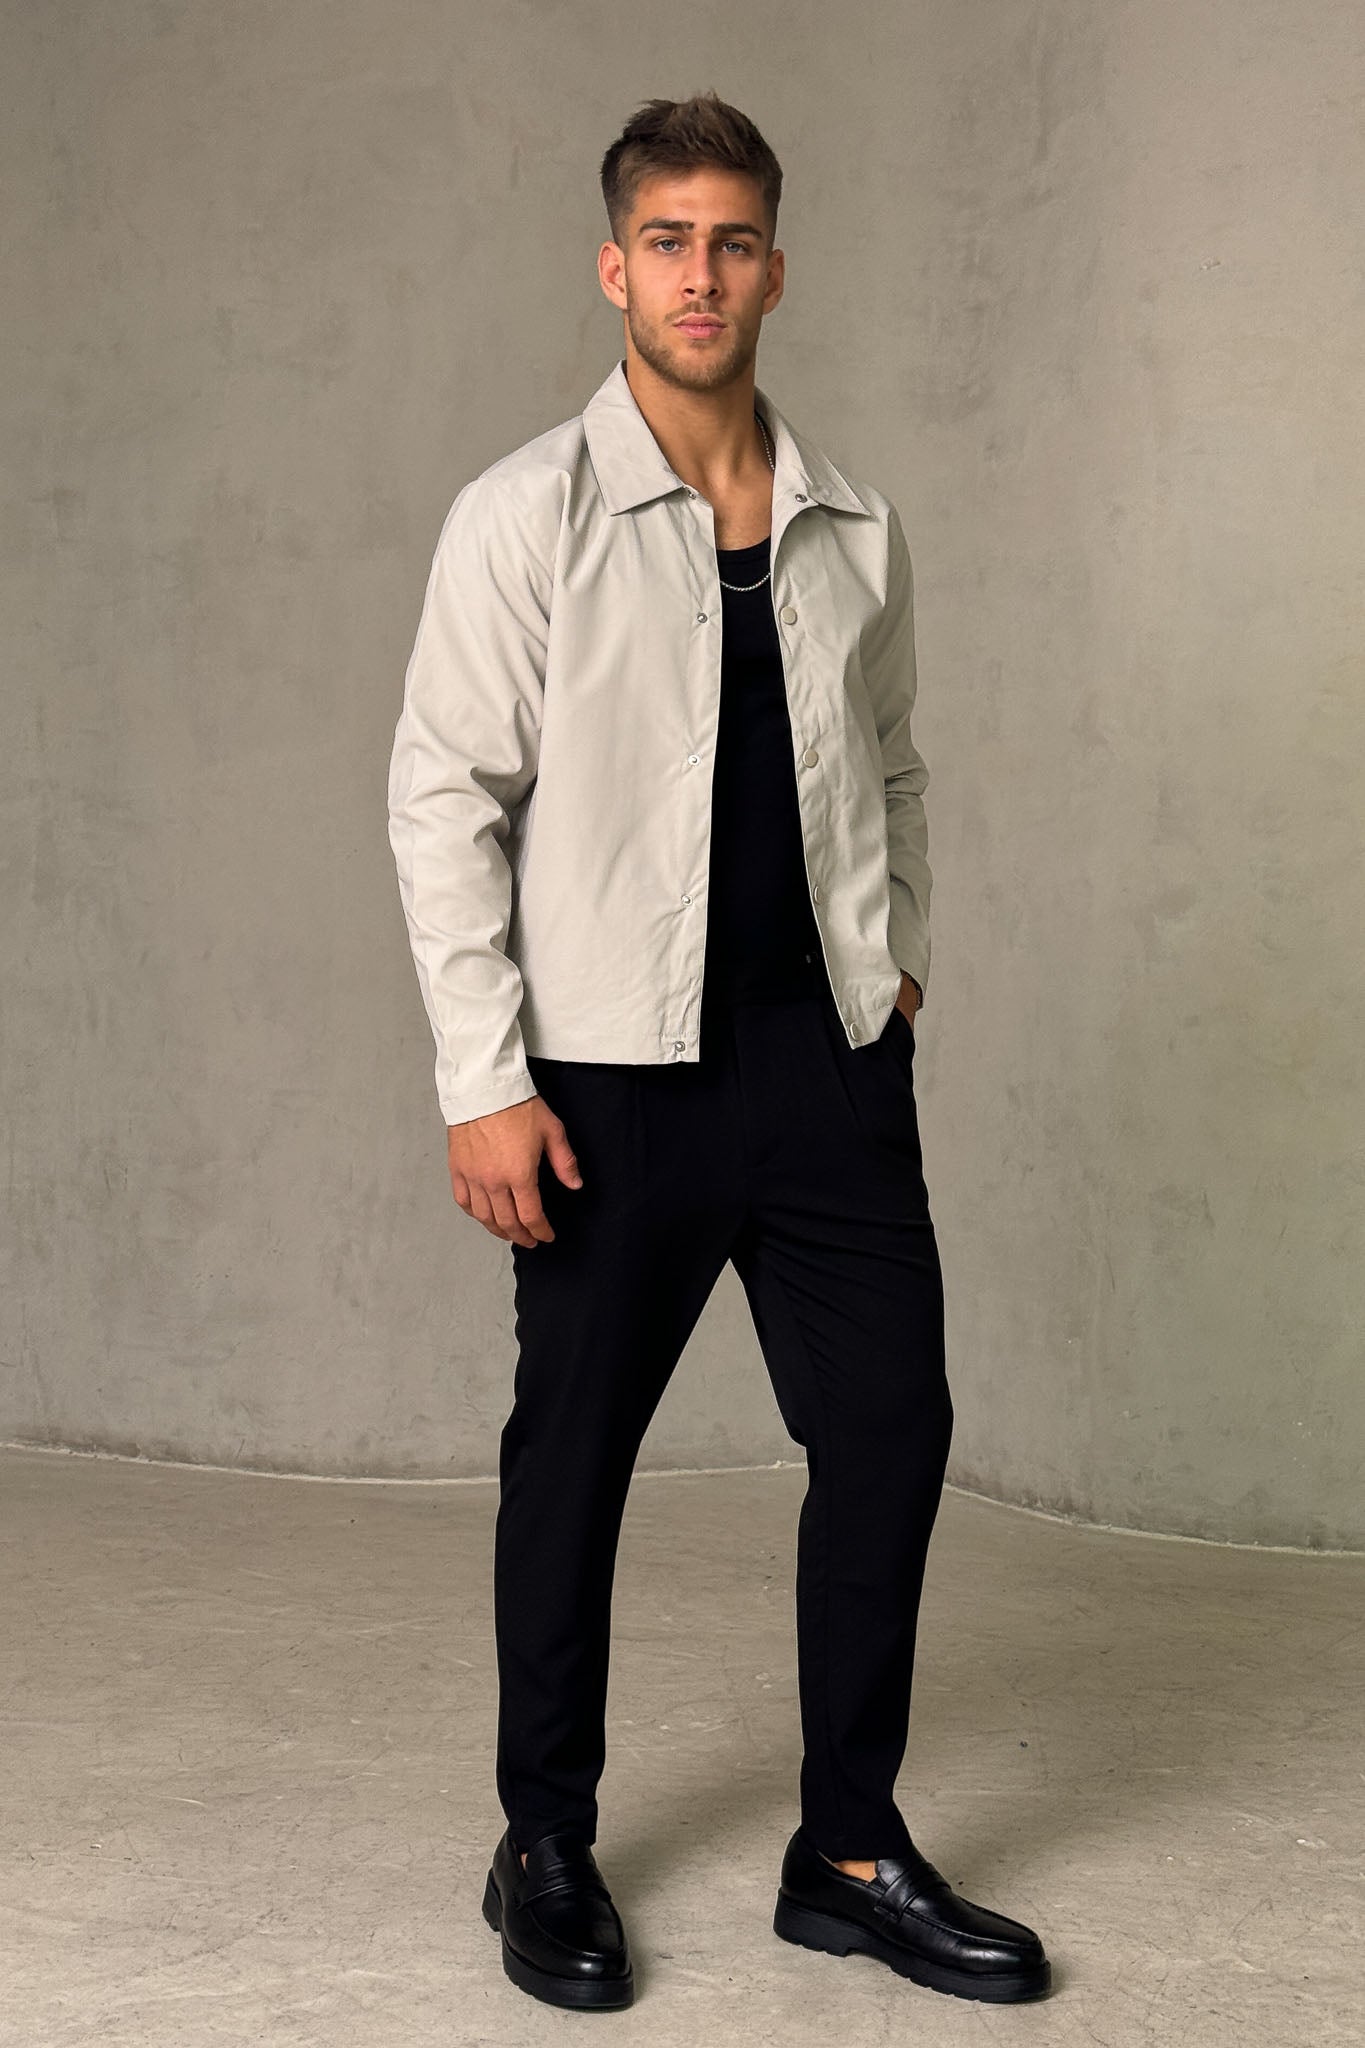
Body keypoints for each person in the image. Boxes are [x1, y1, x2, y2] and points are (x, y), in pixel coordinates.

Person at [387, 90, 1052, 2014]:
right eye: (667, 242)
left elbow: (894, 765)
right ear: (615, 270)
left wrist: (895, 955)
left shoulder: (853, 524)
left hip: (825, 1068)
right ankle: (541, 1839)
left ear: (775, 269)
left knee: (891, 1433)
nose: (701, 275)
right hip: (610, 1080)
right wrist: (483, 1080)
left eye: (732, 241)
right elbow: (443, 798)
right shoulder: (525, 515)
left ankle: (845, 1849)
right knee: (574, 1458)